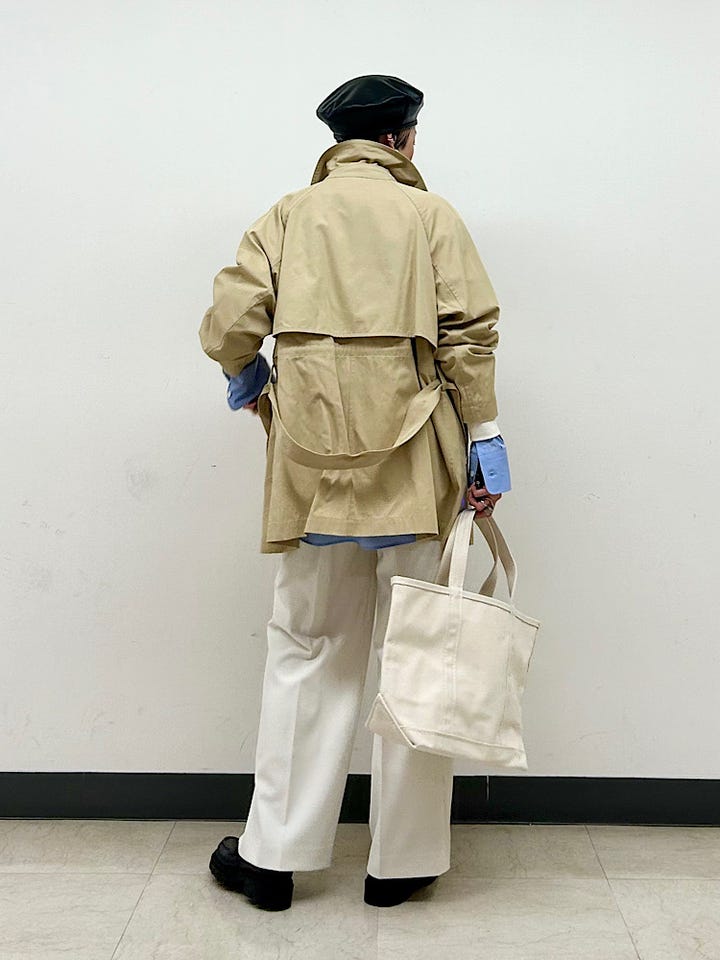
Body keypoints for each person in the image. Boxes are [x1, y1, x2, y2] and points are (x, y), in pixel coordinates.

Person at [199, 74, 511, 911]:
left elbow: (230, 325)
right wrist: (485, 439)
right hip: (416, 470)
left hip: (313, 475)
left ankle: (272, 861)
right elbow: (470, 337)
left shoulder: (287, 216)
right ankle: (402, 864)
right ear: (403, 138)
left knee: (307, 651)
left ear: (338, 142)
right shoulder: (431, 216)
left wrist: (249, 378)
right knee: (419, 652)